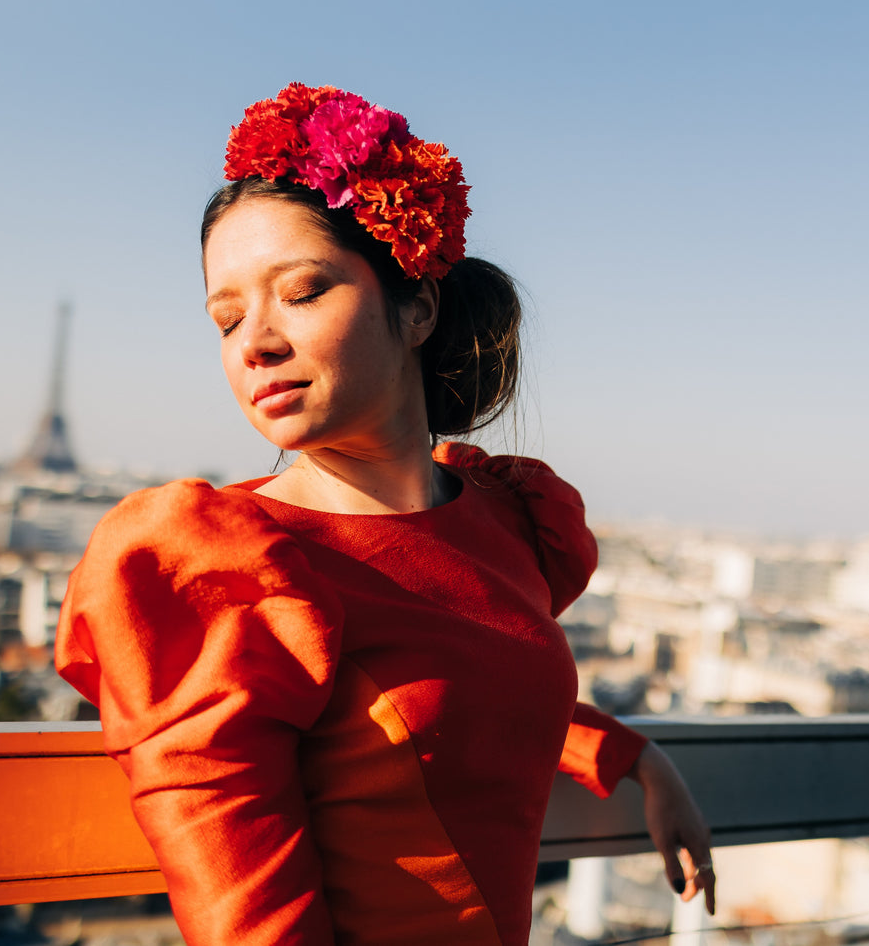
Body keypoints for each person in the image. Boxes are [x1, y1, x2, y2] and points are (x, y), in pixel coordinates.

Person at [55, 83, 715, 946]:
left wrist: (632, 757)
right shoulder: (229, 572)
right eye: (226, 317)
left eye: (302, 291)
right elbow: (247, 919)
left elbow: (453, 695)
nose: (253, 340)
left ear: (416, 306)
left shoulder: (504, 518)